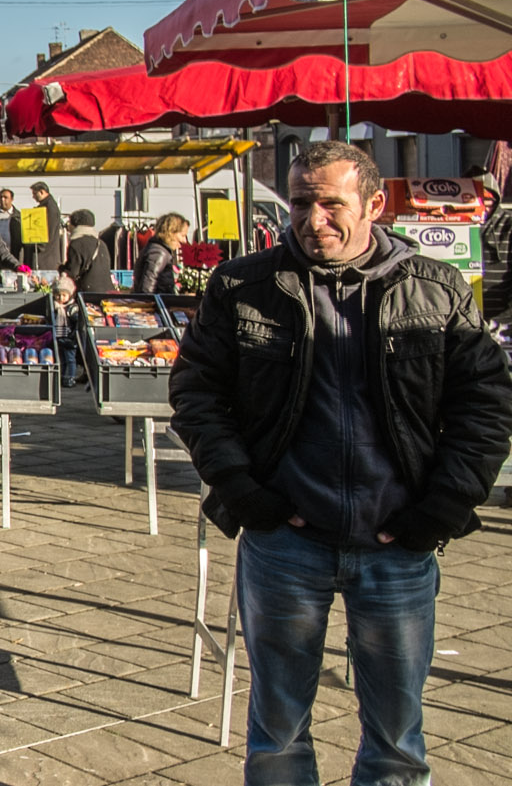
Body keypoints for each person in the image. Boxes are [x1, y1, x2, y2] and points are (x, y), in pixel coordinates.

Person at [171, 140, 512, 786]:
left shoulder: (434, 287)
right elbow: (197, 392)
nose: (313, 219)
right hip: (285, 540)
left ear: (375, 205)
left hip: (398, 543)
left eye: (332, 203)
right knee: (277, 730)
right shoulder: (246, 285)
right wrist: (242, 488)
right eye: (302, 202)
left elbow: (485, 405)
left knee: (396, 734)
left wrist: (443, 505)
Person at [60, 209, 113, 294]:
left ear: (75, 225)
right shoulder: (101, 243)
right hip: (107, 291)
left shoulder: (76, 244)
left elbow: (72, 272)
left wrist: (61, 269)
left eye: (69, 223)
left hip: (88, 292)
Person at [134, 213, 189, 294]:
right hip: (157, 304)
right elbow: (147, 289)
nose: (185, 240)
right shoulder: (159, 253)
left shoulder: (159, 249)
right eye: (182, 235)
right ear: (171, 233)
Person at [21, 181, 65, 270]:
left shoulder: (49, 208)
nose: (33, 197)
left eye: (34, 193)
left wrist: (38, 245)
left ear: (42, 192)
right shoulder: (47, 206)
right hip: (44, 255)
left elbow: (49, 231)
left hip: (45, 256)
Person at [52, 274, 85, 389]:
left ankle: (70, 377)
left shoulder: (72, 308)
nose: (60, 298)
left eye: (63, 295)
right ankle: (62, 377)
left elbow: (77, 323)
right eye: (57, 295)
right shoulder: (54, 307)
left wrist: (74, 336)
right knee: (61, 359)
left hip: (69, 338)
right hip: (58, 336)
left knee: (70, 359)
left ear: (70, 295)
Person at [0, 188, 23, 277]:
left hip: (11, 254)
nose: (2, 200)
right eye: (1, 197)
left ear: (12, 199)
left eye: (5, 197)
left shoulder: (18, 217)